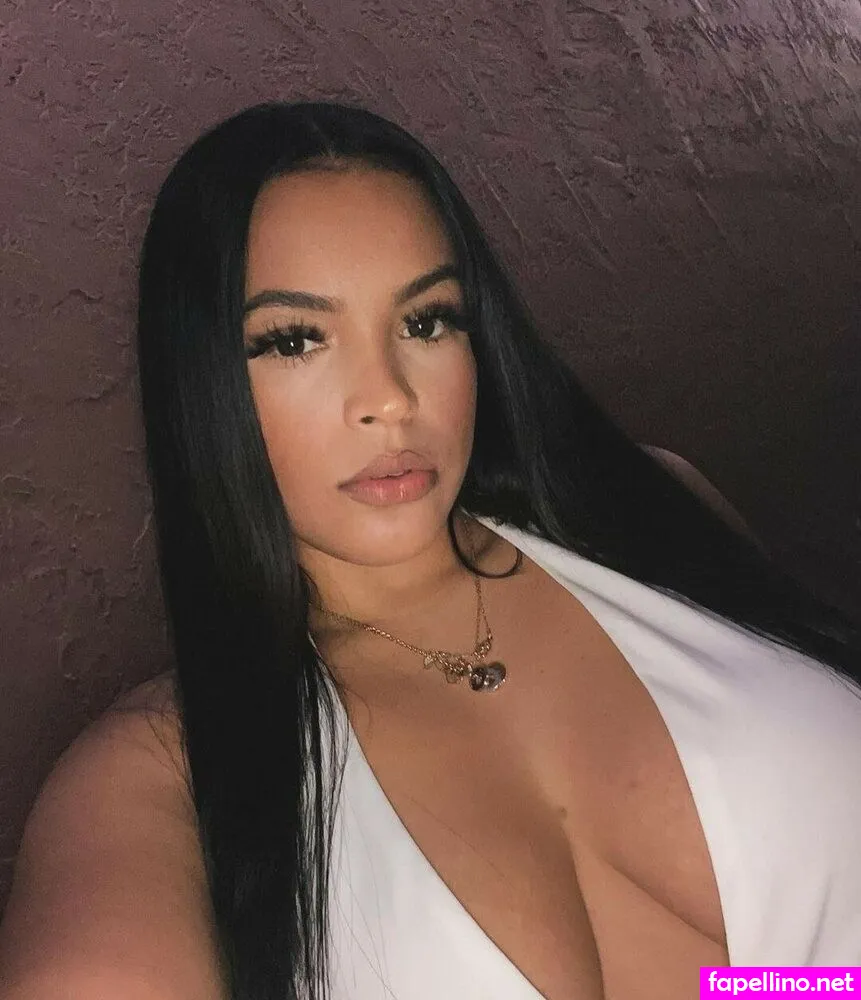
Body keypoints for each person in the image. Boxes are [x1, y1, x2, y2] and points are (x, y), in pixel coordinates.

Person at [1, 102, 859, 1000]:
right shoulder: (153, 781)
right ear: (204, 380)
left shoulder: (652, 512)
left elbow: (764, 985)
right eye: (295, 339)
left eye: (426, 321)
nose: (389, 398)